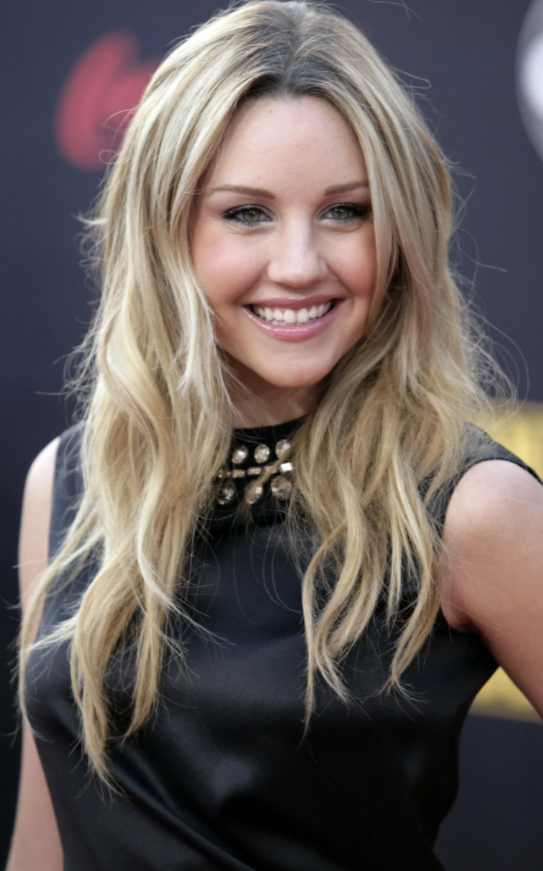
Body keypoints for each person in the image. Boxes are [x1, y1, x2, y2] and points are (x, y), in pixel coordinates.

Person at [7, 1, 543, 869]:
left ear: (399, 231)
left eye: (345, 211)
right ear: (166, 229)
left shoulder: (467, 507)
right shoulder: (70, 480)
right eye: (246, 213)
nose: (299, 264)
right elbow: (42, 849)